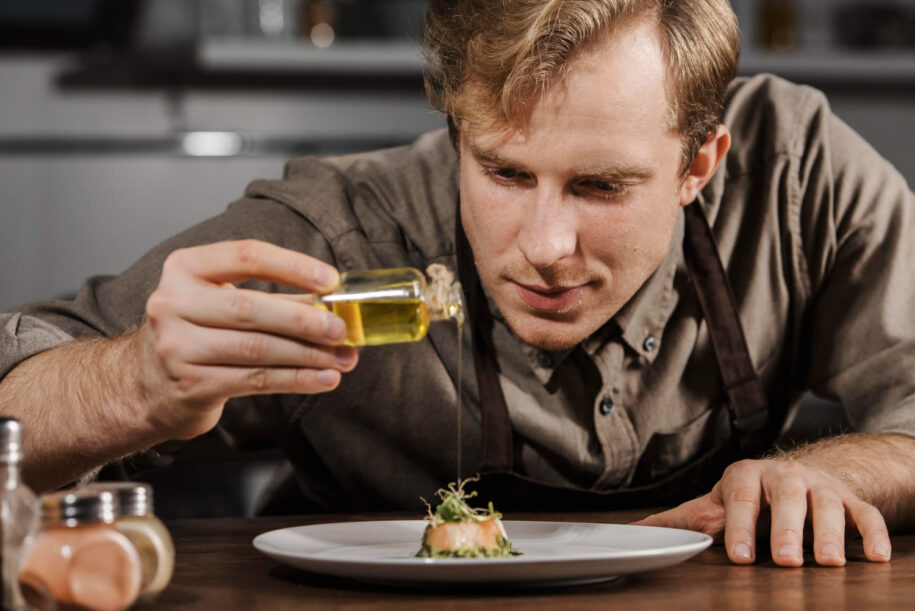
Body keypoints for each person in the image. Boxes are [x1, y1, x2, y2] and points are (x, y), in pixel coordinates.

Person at [1, 0, 913, 569]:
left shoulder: (801, 176)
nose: (546, 246)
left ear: (699, 163)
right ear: (457, 128)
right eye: (505, 173)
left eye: (601, 185)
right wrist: (137, 381)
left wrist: (833, 469)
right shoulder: (340, 234)